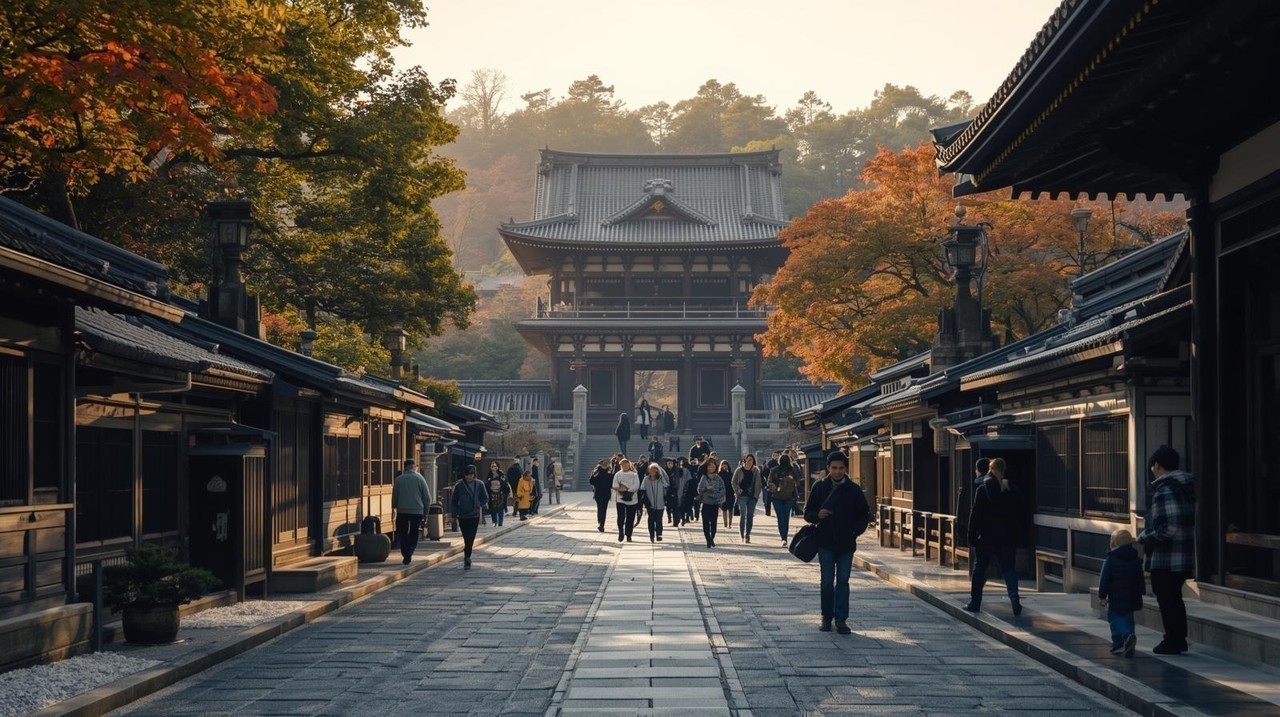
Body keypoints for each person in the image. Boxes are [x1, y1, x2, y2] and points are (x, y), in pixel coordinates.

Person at [804, 451, 871, 634]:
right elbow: (807, 513)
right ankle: (827, 616)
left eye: (841, 468)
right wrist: (817, 515)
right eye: (834, 468)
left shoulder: (853, 489)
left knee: (843, 580)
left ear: (846, 468)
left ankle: (841, 619)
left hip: (846, 543)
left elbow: (864, 514)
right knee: (826, 581)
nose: (837, 471)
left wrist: (855, 531)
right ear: (828, 468)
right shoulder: (820, 487)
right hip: (825, 542)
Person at [1137, 445, 1195, 655]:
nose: (1152, 469)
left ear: (1157, 465)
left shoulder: (1166, 489)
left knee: (1167, 599)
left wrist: (1145, 537)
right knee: (1174, 598)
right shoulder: (1186, 486)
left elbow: (1170, 527)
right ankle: (1177, 639)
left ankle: (1173, 640)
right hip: (1184, 553)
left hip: (1167, 557)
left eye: (1152, 465)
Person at [964, 457, 1024, 616]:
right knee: (1009, 570)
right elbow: (1019, 516)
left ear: (990, 470)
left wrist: (971, 536)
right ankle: (1014, 598)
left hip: (987, 538)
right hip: (1007, 538)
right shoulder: (1012, 489)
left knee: (980, 570)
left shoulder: (983, 489)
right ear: (1004, 470)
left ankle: (975, 603)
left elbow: (975, 515)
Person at [1099, 528, 1145, 657]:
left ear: (1113, 543)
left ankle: (1123, 638)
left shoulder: (1111, 559)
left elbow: (1105, 578)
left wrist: (1102, 595)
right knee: (1128, 618)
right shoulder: (1136, 558)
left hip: (1116, 594)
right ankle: (1127, 640)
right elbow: (1140, 578)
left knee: (1114, 617)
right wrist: (1141, 591)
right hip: (1133, 595)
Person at [391, 459, 432, 565]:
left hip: (402, 510)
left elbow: (395, 495)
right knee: (414, 532)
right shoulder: (420, 478)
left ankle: (405, 553)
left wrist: (394, 506)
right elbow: (427, 498)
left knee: (402, 533)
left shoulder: (399, 479)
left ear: (405, 467)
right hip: (417, 511)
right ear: (414, 467)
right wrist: (425, 513)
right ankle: (410, 550)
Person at [450, 465, 489, 569]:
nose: (469, 477)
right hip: (462, 516)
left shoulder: (479, 484)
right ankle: (467, 555)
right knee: (466, 537)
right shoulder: (459, 485)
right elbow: (454, 500)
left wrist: (478, 504)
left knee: (470, 538)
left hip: (474, 515)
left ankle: (467, 558)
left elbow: (485, 498)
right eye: (467, 474)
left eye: (471, 474)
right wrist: (454, 514)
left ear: (474, 474)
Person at [767, 454, 800, 545]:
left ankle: (784, 537)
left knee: (784, 517)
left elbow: (797, 481)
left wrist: (789, 480)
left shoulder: (792, 470)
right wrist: (773, 485)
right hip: (778, 497)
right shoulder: (774, 470)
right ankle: (784, 538)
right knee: (782, 517)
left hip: (788, 497)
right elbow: (769, 482)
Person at [697, 459, 727, 548]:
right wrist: (706, 488)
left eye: (713, 466)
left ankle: (712, 538)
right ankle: (708, 540)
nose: (711, 467)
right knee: (705, 523)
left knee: (714, 523)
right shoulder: (704, 477)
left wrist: (717, 494)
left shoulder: (718, 478)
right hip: (706, 503)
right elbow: (699, 489)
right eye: (709, 465)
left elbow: (723, 489)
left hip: (715, 504)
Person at [734, 454, 762, 543]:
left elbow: (759, 484)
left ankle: (747, 534)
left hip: (752, 497)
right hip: (742, 496)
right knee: (743, 515)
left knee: (750, 516)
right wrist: (738, 490)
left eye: (752, 460)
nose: (750, 462)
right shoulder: (739, 470)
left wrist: (756, 495)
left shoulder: (756, 471)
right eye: (748, 460)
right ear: (745, 460)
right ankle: (742, 533)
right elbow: (733, 482)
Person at [612, 458, 640, 543]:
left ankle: (629, 535)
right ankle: (621, 531)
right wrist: (621, 489)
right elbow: (614, 484)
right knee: (620, 516)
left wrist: (627, 489)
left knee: (630, 518)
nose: (624, 466)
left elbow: (636, 485)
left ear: (629, 465)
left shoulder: (634, 474)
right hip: (620, 498)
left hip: (632, 499)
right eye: (622, 465)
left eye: (626, 464)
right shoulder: (618, 474)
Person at [641, 463, 670, 542]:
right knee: (651, 519)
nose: (653, 471)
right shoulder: (646, 479)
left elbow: (666, 486)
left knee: (659, 519)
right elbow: (642, 489)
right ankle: (651, 535)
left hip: (660, 503)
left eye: (655, 470)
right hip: (650, 503)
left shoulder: (660, 479)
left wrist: (661, 478)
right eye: (651, 470)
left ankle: (659, 534)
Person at [589, 459, 614, 532]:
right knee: (603, 509)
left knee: (600, 508)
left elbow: (591, 481)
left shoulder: (603, 471)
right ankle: (601, 524)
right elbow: (591, 481)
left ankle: (601, 523)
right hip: (603, 492)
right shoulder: (601, 471)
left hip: (600, 492)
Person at [485, 461, 509, 527]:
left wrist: (505, 492)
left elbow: (505, 484)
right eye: (492, 466)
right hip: (492, 494)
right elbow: (487, 484)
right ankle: (494, 522)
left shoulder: (501, 474)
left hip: (500, 494)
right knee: (493, 509)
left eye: (495, 466)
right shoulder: (489, 475)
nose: (493, 468)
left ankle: (500, 523)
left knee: (500, 509)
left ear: (497, 467)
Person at [663, 457, 684, 526]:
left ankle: (676, 522)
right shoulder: (664, 471)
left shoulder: (677, 470)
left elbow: (681, 478)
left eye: (671, 463)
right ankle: (669, 517)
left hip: (675, 489)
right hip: (667, 490)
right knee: (668, 506)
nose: (669, 464)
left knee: (675, 507)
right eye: (668, 463)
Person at [763, 451, 781, 517]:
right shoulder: (771, 463)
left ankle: (768, 512)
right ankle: (768, 512)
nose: (776, 457)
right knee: (769, 499)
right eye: (775, 456)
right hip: (771, 483)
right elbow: (765, 473)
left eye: (777, 456)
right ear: (773, 456)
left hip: (772, 483)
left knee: (769, 499)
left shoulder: (778, 463)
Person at [718, 460, 734, 529]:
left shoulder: (731, 474)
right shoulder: (718, 474)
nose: (725, 466)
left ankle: (730, 524)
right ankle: (725, 523)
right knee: (724, 509)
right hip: (723, 493)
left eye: (726, 465)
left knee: (730, 509)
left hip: (730, 493)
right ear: (721, 466)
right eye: (723, 465)